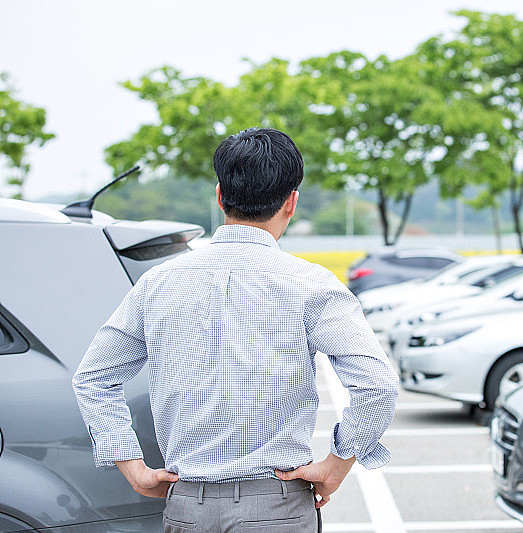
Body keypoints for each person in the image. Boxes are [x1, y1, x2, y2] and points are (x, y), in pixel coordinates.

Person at [72, 127, 398, 532]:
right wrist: (336, 466)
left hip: (189, 506)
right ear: (291, 202)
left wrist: (132, 465)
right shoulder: (312, 284)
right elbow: (378, 387)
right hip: (277, 508)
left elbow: (92, 379)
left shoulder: (157, 283)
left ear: (220, 196)